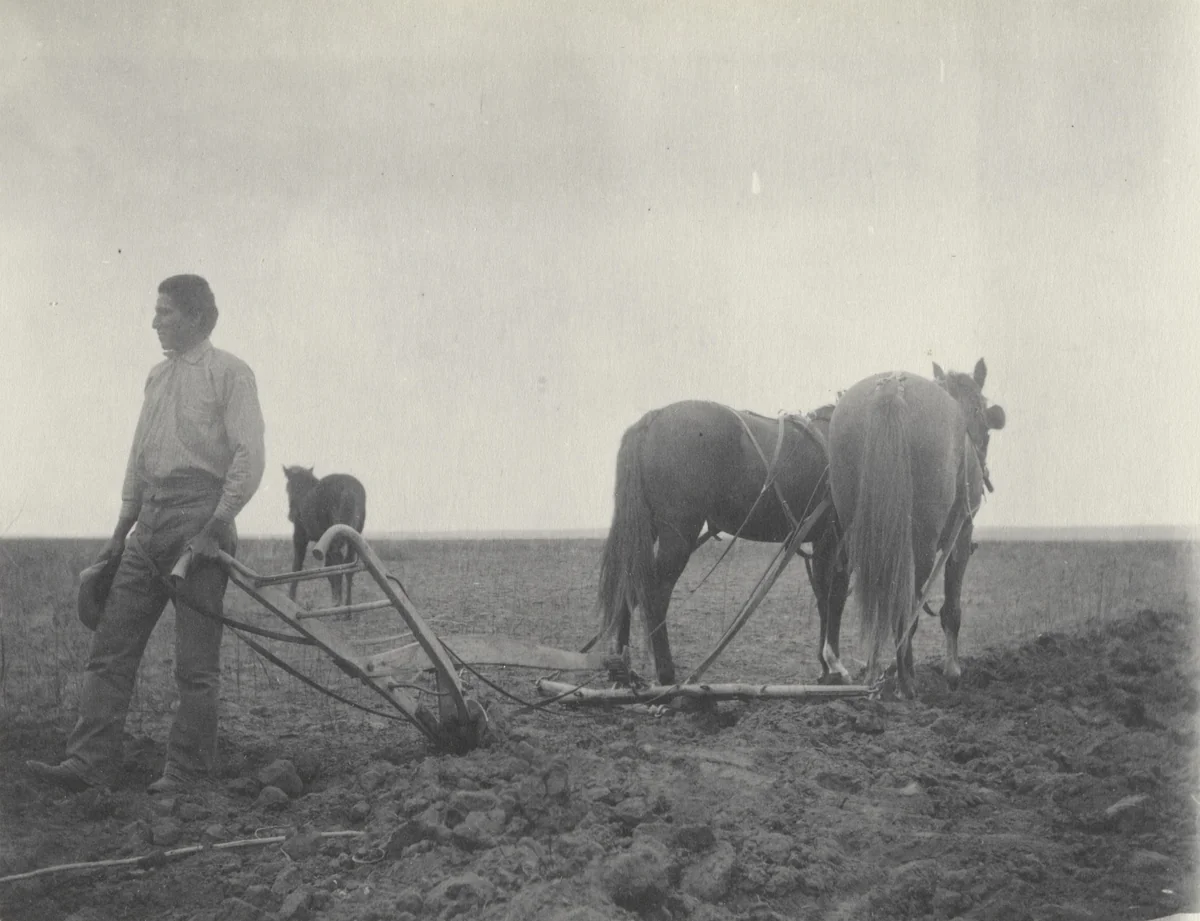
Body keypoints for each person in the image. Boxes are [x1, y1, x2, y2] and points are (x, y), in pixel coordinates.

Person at [27, 274, 265, 794]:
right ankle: (88, 763)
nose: (154, 321)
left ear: (198, 317)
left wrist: (215, 526)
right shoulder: (156, 378)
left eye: (165, 312)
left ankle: (186, 772)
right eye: (155, 312)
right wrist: (120, 532)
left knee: (195, 664)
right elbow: (139, 457)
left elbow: (248, 458)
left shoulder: (231, 374)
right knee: (111, 648)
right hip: (149, 524)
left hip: (200, 522)